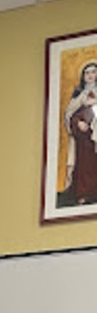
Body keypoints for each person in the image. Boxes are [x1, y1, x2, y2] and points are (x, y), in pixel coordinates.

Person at [63, 60, 97, 205]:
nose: (90, 76)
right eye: (87, 73)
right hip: (83, 138)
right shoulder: (78, 95)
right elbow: (70, 114)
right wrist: (78, 123)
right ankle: (83, 194)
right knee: (84, 165)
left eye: (93, 72)